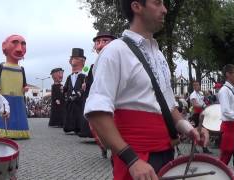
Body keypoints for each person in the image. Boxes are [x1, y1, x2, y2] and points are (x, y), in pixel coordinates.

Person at [84, 0, 208, 179]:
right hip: (136, 158)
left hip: (166, 153)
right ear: (137, 7)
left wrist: (189, 129)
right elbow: (97, 112)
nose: (165, 10)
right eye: (158, 3)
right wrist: (132, 160)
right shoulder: (114, 52)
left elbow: (169, 107)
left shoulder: (159, 56)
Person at [80, 31, 116, 158]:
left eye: (105, 41)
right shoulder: (92, 67)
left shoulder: (120, 62)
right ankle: (104, 147)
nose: (100, 45)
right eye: (97, 42)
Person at [0, 34, 30, 139]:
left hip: (19, 97)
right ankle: (4, 131)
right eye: (15, 43)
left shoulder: (21, 69)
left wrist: (25, 87)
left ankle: (20, 132)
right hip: (5, 95)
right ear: (4, 46)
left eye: (23, 44)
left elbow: (24, 82)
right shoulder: (2, 66)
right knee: (5, 112)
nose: (19, 48)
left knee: (18, 114)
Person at [63, 48, 86, 134]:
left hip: (79, 97)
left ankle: (78, 127)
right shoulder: (69, 77)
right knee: (70, 112)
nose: (73, 60)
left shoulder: (83, 76)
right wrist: (64, 89)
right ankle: (69, 127)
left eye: (76, 58)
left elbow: (84, 87)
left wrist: (80, 92)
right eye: (72, 58)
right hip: (70, 97)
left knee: (78, 112)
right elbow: (66, 86)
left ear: (82, 61)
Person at [189, 81, 212, 154]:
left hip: (202, 114)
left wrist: (207, 105)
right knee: (196, 132)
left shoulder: (200, 94)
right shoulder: (193, 95)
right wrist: (203, 106)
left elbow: (204, 102)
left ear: (199, 86)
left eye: (197, 85)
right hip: (196, 115)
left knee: (204, 131)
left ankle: (204, 147)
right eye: (194, 85)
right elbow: (194, 104)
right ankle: (193, 148)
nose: (196, 86)